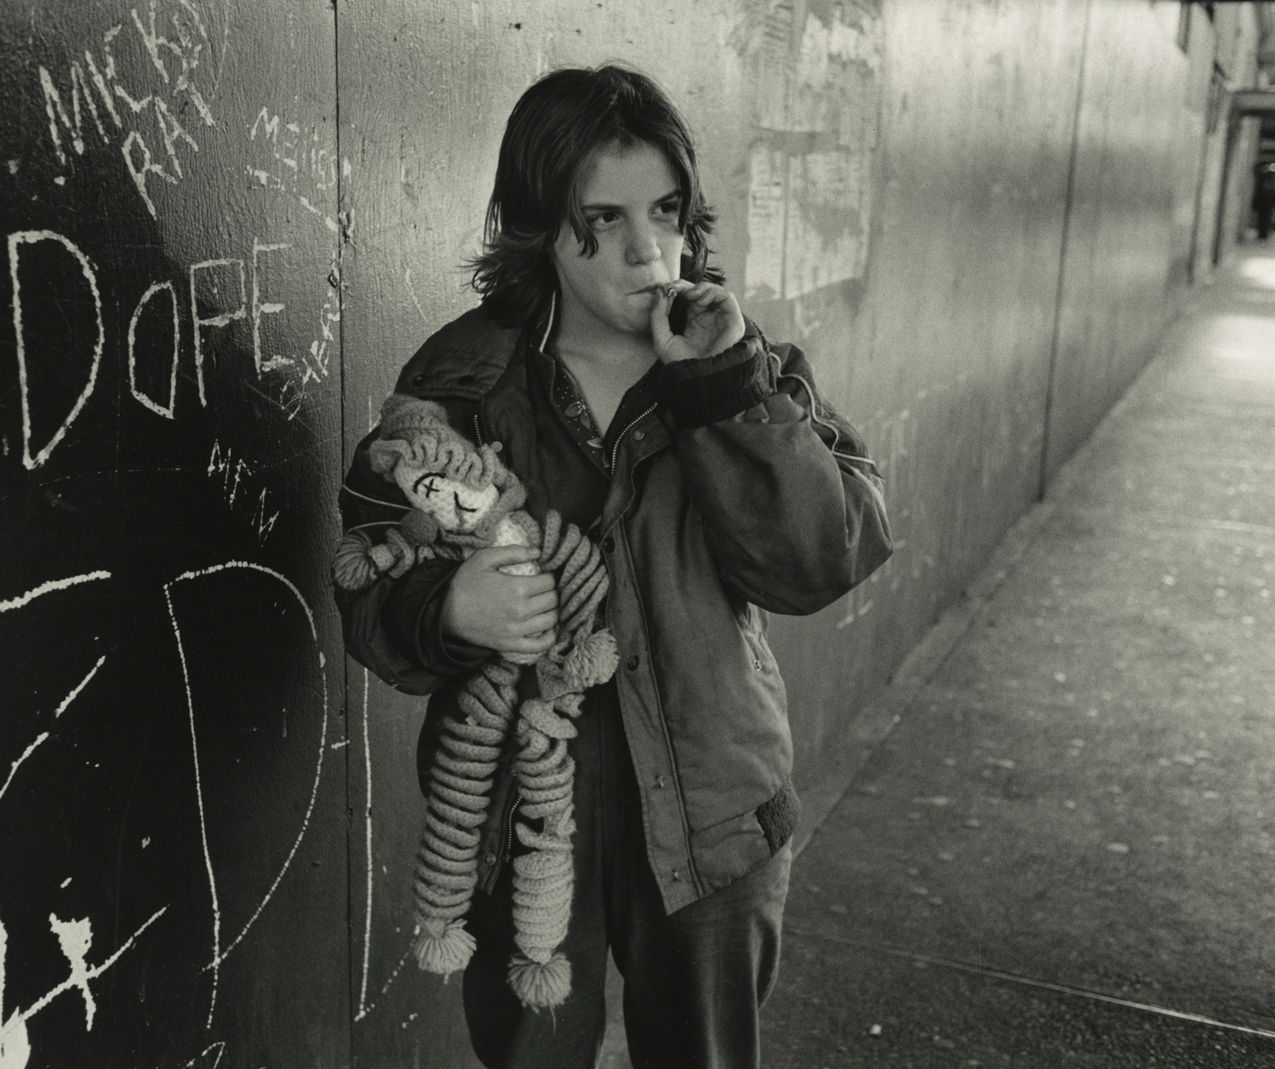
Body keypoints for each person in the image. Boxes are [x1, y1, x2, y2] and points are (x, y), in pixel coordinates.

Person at [335, 63, 892, 1069]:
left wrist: (717, 391)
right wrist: (450, 609)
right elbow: (369, 585)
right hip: (525, 826)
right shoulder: (461, 384)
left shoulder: (735, 360)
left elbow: (822, 560)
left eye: (668, 211)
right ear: (539, 224)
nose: (649, 249)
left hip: (714, 808)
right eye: (606, 217)